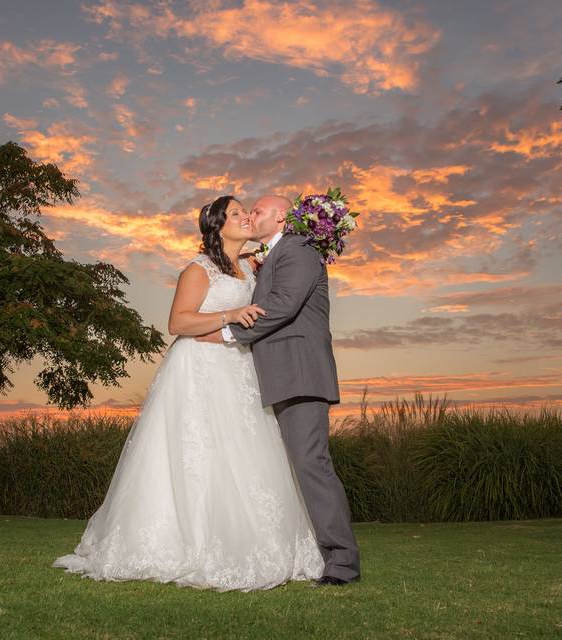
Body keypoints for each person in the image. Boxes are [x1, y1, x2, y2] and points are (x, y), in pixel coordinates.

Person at [51, 195, 324, 592]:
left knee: (244, 451)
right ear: (217, 226)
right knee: (196, 452)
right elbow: (178, 321)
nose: (245, 216)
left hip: (239, 369)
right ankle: (182, 541)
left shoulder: (253, 266)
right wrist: (230, 315)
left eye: (247, 210)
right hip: (198, 368)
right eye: (235, 214)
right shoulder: (198, 270)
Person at [198, 195, 361, 585]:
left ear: (281, 217)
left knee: (312, 464)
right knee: (301, 466)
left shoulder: (299, 249)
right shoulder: (275, 255)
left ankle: (342, 563)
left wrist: (226, 334)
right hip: (283, 376)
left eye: (257, 211)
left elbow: (284, 305)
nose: (251, 216)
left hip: (301, 374)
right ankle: (326, 556)